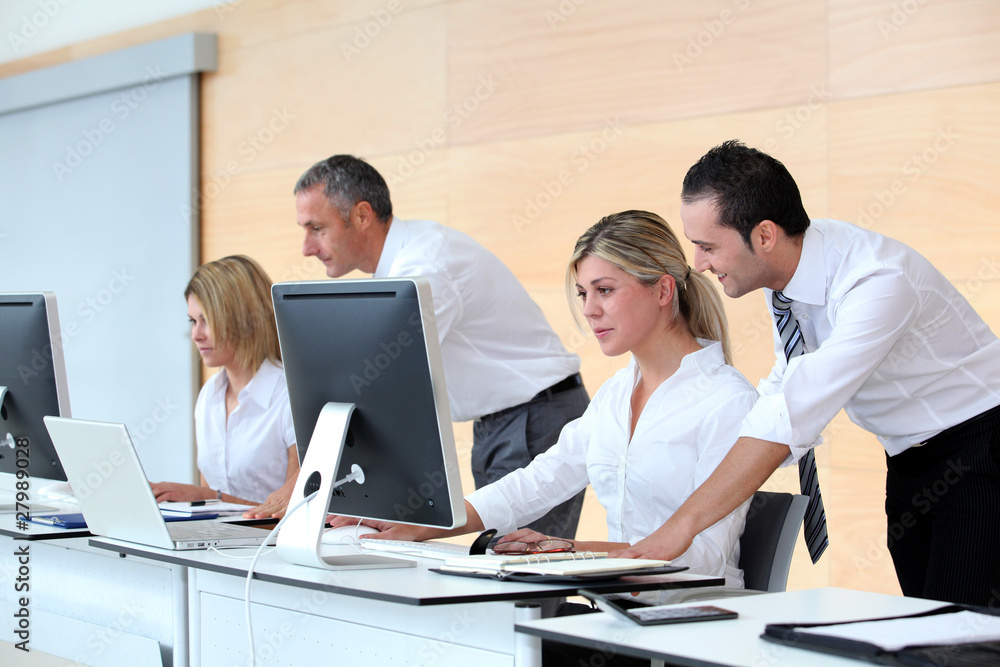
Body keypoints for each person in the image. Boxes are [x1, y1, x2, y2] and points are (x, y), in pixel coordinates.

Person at [619, 140, 1000, 607]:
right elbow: (785, 383)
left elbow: (794, 415)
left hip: (981, 446)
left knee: (964, 636)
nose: (698, 264)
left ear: (763, 235)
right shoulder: (783, 277)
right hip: (908, 458)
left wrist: (682, 524)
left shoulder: (876, 283)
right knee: (928, 618)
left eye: (707, 247)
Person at [334, 210, 758, 601]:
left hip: (692, 623)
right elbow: (538, 481)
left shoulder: (726, 402)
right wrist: (423, 525)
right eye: (583, 293)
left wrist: (565, 551)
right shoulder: (615, 394)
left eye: (605, 290)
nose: (590, 311)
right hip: (620, 615)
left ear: (663, 289)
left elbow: (701, 559)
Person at [293, 154, 588, 539]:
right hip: (503, 421)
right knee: (501, 571)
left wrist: (339, 491)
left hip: (534, 418)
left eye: (317, 228)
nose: (306, 247)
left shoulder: (426, 265)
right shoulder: (403, 265)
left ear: (362, 215)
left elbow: (381, 387)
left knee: (521, 577)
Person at [150, 255, 299, 519]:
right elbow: (210, 513)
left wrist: (207, 498)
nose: (196, 335)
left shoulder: (291, 395)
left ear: (241, 319)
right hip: (218, 550)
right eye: (193, 321)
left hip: (270, 552)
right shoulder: (210, 395)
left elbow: (292, 512)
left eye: (206, 319)